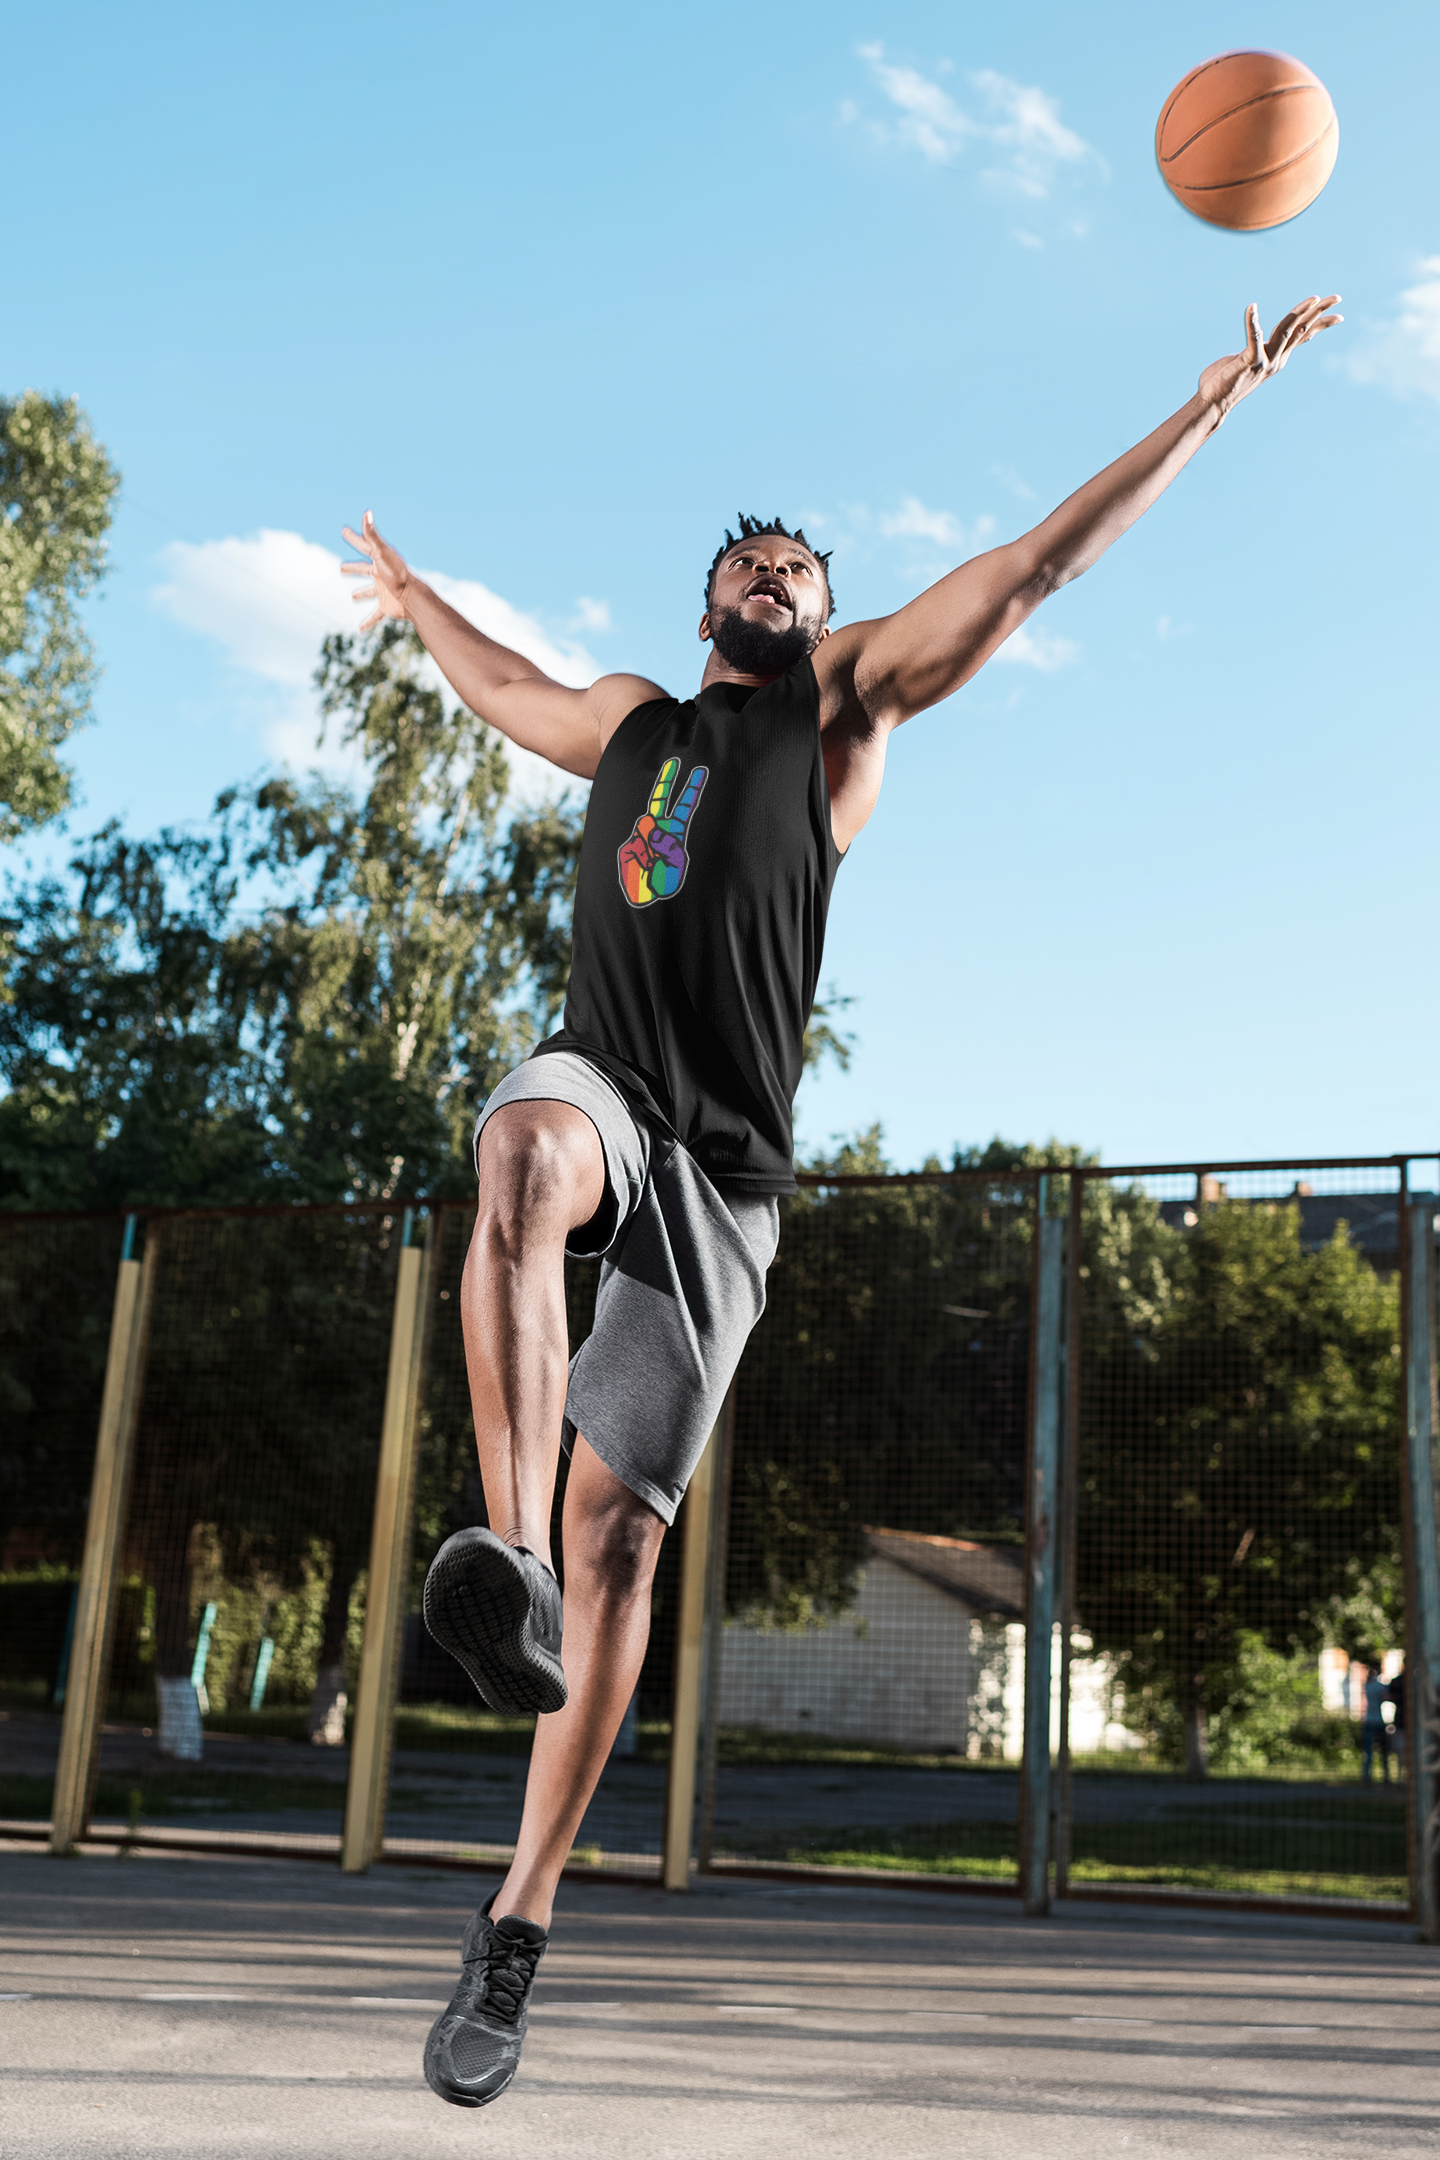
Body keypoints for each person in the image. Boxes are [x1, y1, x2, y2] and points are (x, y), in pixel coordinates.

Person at [340, 291, 1341, 2109]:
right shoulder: (633, 728)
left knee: (629, 1536)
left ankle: (519, 1926)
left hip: (724, 1178)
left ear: (825, 614)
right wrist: (412, 603)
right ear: (705, 604)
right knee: (517, 1155)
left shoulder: (845, 716)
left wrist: (1203, 411)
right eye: (758, 567)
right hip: (606, 1093)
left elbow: (1031, 570)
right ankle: (501, 1565)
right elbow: (504, 688)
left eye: (808, 571)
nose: (783, 583)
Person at [1359, 1661, 1392, 1784]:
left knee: (1368, 1751)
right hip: (1378, 1721)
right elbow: (1386, 1697)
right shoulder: (1380, 1686)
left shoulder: (1367, 1685)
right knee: (1383, 1751)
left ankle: (1366, 1777)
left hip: (1368, 1720)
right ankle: (1386, 1777)